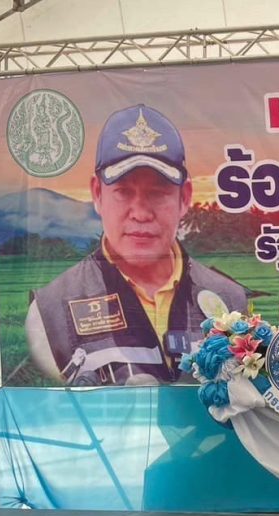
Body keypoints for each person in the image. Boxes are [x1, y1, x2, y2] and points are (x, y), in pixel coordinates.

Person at [25, 104, 248, 386]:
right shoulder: (49, 312)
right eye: (123, 192)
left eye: (158, 193)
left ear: (184, 198)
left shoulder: (230, 301)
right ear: (97, 194)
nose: (140, 213)